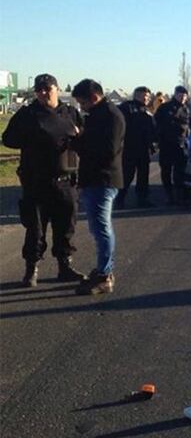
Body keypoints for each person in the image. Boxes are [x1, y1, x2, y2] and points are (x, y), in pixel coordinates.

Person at [1, 73, 86, 287]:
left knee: (66, 226)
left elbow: (84, 139)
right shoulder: (28, 114)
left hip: (66, 180)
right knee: (35, 228)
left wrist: (79, 137)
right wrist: (32, 138)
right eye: (39, 90)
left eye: (47, 89)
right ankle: (32, 269)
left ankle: (64, 266)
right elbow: (8, 139)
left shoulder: (71, 113)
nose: (43, 93)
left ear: (56, 89)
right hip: (36, 181)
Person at [71, 79, 125, 295]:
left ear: (93, 97)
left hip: (103, 180)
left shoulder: (111, 116)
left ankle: (104, 274)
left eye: (82, 103)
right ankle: (104, 269)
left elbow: (107, 150)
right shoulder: (98, 115)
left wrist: (78, 142)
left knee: (102, 228)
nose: (81, 107)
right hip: (94, 179)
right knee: (98, 227)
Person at [116, 86, 156, 209]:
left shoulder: (147, 111)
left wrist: (153, 144)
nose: (146, 98)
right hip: (129, 149)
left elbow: (152, 130)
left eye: (148, 97)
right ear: (137, 95)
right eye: (144, 96)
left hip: (144, 149)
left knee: (143, 177)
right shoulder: (126, 108)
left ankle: (142, 200)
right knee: (127, 176)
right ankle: (119, 200)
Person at [155, 85, 191, 204]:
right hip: (166, 144)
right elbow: (156, 124)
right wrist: (157, 140)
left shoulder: (188, 109)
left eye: (185, 96)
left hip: (181, 145)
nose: (183, 98)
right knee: (166, 171)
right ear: (175, 94)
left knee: (180, 172)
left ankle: (179, 195)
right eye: (180, 95)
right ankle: (169, 194)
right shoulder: (164, 107)